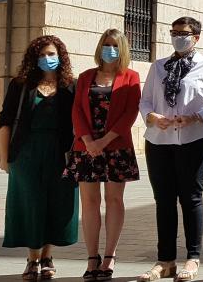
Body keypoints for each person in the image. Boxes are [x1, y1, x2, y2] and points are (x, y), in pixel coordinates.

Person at [137, 17, 203, 282]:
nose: (178, 37)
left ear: (196, 37)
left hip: (195, 140)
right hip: (160, 141)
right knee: (164, 200)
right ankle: (165, 261)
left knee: (191, 197)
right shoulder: (159, 66)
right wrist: (152, 118)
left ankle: (193, 258)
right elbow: (146, 101)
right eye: (174, 32)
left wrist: (196, 116)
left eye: (183, 33)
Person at [63, 29, 142, 282]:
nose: (110, 49)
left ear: (123, 49)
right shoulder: (86, 77)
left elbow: (130, 113)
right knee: (89, 203)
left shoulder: (131, 77)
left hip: (116, 146)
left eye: (115, 45)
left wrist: (105, 141)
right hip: (86, 147)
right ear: (100, 47)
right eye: (107, 44)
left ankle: (109, 256)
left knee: (114, 200)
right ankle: (91, 257)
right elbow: (76, 110)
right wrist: (88, 141)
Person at [0, 35, 79, 280]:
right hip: (26, 153)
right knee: (30, 204)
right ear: (34, 58)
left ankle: (47, 257)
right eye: (42, 55)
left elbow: (78, 123)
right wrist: (4, 157)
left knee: (56, 203)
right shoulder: (20, 84)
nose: (47, 59)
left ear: (60, 56)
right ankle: (32, 259)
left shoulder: (70, 86)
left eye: (51, 54)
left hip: (59, 153)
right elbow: (6, 121)